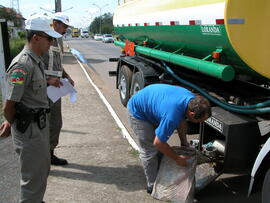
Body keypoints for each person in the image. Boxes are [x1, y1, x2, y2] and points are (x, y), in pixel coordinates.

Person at [3, 15, 62, 202]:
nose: (51, 42)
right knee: (31, 178)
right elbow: (9, 105)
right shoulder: (22, 65)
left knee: (41, 171)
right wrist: (9, 122)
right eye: (49, 38)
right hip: (28, 130)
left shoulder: (36, 60)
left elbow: (32, 87)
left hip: (39, 128)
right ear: (36, 38)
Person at [127, 84, 211, 194]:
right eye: (200, 120)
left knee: (161, 146)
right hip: (138, 113)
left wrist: (184, 142)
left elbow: (182, 121)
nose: (201, 123)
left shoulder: (190, 100)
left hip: (152, 104)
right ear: (191, 113)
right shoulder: (172, 116)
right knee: (150, 150)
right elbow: (158, 143)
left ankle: (158, 171)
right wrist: (177, 159)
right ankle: (152, 185)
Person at [42, 12, 74, 165]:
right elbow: (33, 65)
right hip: (41, 89)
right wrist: (47, 80)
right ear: (55, 23)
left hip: (54, 90)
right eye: (64, 26)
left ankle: (49, 153)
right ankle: (42, 156)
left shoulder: (57, 40)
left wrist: (66, 76)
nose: (66, 29)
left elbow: (57, 64)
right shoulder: (43, 40)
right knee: (43, 124)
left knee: (56, 122)